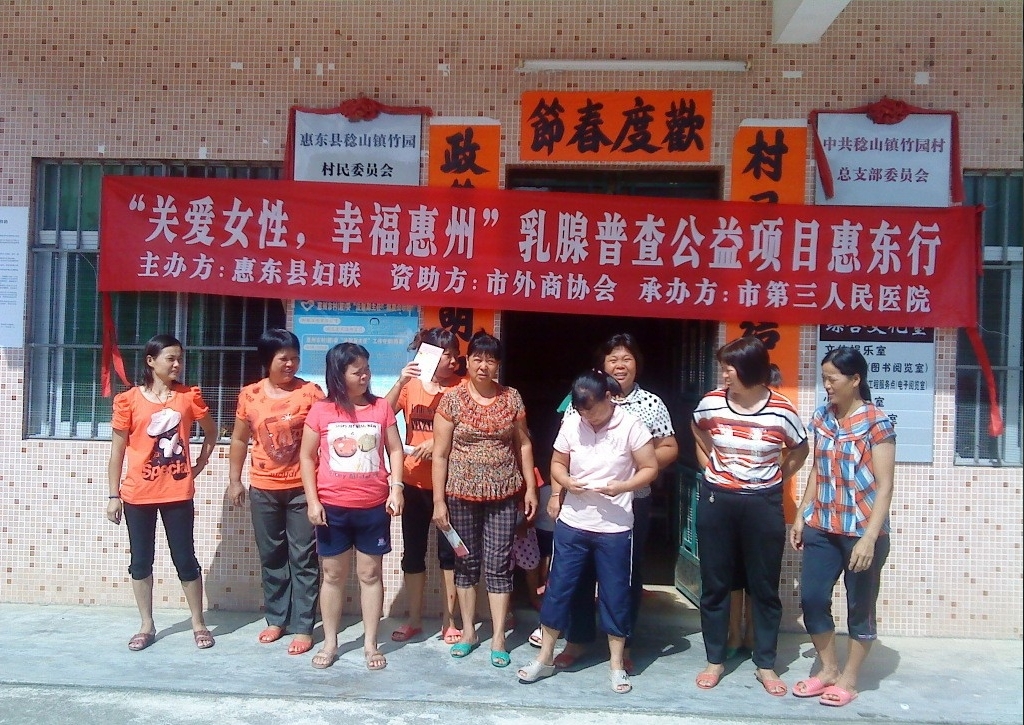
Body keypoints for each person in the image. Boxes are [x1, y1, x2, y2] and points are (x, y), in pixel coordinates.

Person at [517, 370, 658, 694]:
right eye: (583, 412)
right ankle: (544, 657)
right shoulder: (572, 422)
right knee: (558, 589)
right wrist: (565, 482)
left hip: (615, 527)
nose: (588, 418)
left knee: (615, 594)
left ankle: (616, 665)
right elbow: (557, 463)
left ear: (608, 398)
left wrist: (623, 486)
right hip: (573, 524)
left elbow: (650, 467)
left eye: (592, 411)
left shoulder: (630, 426)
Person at [543, 333, 678, 672]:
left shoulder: (650, 404)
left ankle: (623, 645)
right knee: (577, 575)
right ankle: (577, 640)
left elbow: (669, 448)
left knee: (623, 578)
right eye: (613, 359)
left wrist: (632, 466)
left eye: (627, 359)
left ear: (637, 364)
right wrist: (558, 494)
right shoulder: (581, 401)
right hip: (581, 506)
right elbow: (562, 454)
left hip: (629, 504)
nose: (620, 365)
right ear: (601, 367)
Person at [691, 336, 808, 696]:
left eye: (730, 368)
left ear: (751, 370)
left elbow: (800, 448)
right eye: (723, 367)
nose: (725, 374)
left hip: (763, 503)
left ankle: (766, 664)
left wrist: (778, 477)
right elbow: (698, 427)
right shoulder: (712, 402)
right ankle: (715, 659)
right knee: (715, 584)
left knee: (764, 586)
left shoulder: (782, 410)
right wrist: (712, 464)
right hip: (718, 500)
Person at [789, 347, 896, 707]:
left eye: (832, 379)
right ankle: (828, 669)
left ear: (855, 380)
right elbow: (817, 470)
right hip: (822, 525)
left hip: (861, 532)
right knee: (812, 598)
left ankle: (849, 679)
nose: (827, 385)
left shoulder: (877, 422)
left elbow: (885, 486)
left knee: (859, 607)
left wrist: (869, 538)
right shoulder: (823, 417)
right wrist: (802, 514)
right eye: (824, 379)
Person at [431, 331, 538, 668]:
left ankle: (498, 637)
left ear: (498, 364)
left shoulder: (512, 398)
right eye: (477, 358)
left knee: (499, 564)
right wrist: (438, 501)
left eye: (490, 360)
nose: (483, 365)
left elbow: (523, 443)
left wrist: (530, 488)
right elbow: (440, 454)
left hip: (504, 495)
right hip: (459, 495)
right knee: (466, 562)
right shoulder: (452, 399)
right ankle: (468, 632)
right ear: (468, 361)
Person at [106, 334, 218, 652]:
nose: (177, 364)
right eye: (170, 358)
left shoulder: (188, 396)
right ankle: (146, 624)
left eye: (180, 358)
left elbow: (211, 432)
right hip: (137, 495)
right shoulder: (128, 400)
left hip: (177, 493)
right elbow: (117, 452)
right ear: (151, 361)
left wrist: (199, 464)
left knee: (185, 559)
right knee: (140, 561)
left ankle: (198, 623)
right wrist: (113, 495)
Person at [300, 342, 405, 671]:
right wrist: (313, 500)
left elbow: (396, 450)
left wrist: (396, 488)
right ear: (338, 374)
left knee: (370, 574)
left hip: (374, 507)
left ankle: (371, 644)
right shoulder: (321, 411)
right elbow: (306, 457)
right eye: (357, 371)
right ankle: (330, 642)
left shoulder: (381, 408)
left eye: (367, 369)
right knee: (332, 575)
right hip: (332, 508)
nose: (365, 376)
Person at [227, 329, 324, 656]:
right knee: (272, 555)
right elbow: (239, 439)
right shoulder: (250, 395)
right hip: (264, 488)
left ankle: (303, 625)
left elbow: (326, 435)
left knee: (303, 557)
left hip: (302, 489)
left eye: (295, 358)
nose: (290, 364)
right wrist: (235, 480)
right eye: (284, 358)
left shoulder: (311, 393)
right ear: (268, 360)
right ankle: (276, 618)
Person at [385, 327, 462, 645]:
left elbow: (471, 431)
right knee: (413, 554)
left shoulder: (462, 388)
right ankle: (414, 620)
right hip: (414, 483)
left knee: (450, 554)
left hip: (452, 485)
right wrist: (400, 381)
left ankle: (450, 621)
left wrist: (439, 442)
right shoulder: (411, 386)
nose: (453, 361)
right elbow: (381, 416)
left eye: (455, 355)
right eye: (447, 354)